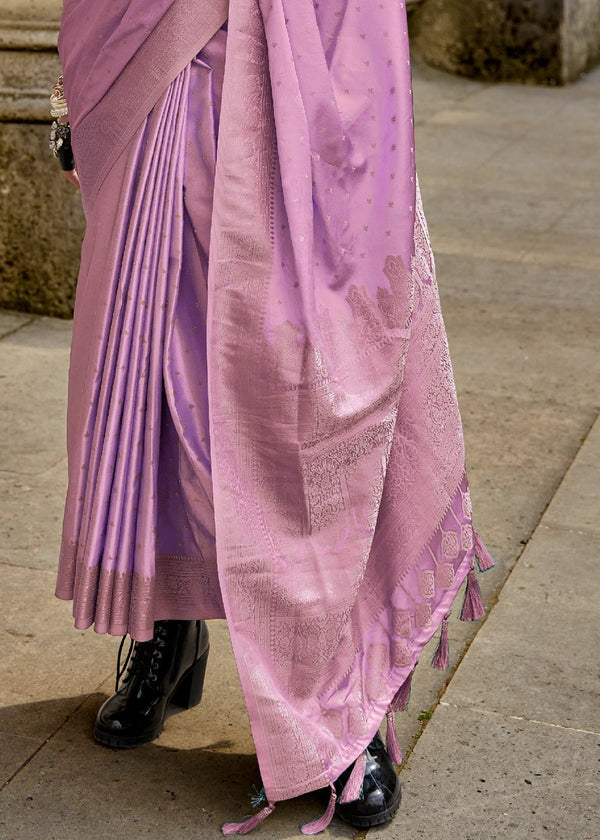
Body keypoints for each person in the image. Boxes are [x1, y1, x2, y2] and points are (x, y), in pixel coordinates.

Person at [52, 1, 494, 835]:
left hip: (316, 61)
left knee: (308, 398)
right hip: (156, 63)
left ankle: (339, 703)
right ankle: (167, 630)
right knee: (155, 369)